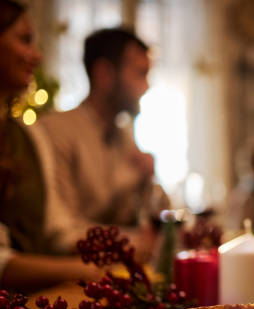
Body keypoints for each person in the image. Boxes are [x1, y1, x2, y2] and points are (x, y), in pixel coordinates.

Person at [0, 0, 100, 290]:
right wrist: (81, 269)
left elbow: (56, 230)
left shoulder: (28, 135)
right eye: (25, 40)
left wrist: (118, 248)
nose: (37, 56)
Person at [35, 27, 163, 252]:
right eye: (140, 74)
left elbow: (146, 216)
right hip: (68, 278)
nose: (147, 86)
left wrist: (148, 180)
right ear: (104, 74)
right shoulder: (54, 132)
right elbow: (60, 232)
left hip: (112, 273)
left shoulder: (124, 136)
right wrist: (137, 240)